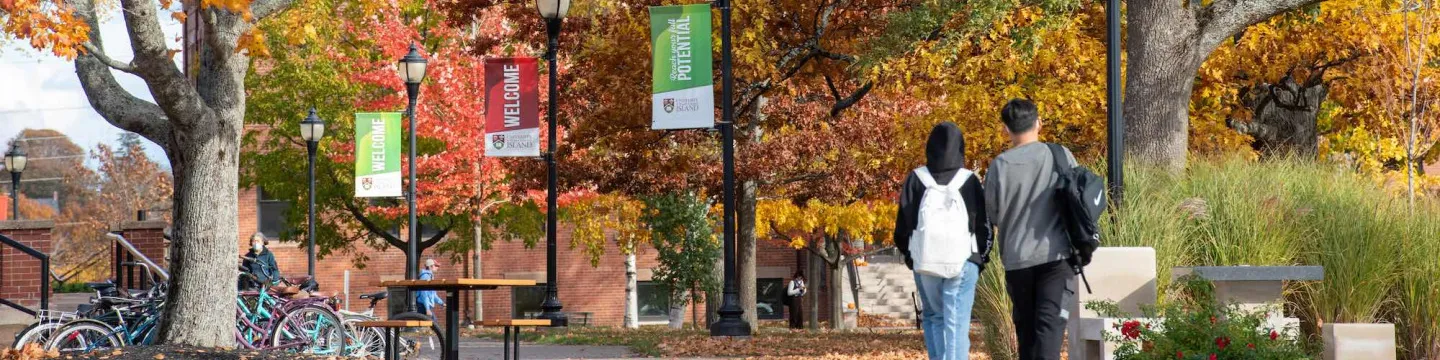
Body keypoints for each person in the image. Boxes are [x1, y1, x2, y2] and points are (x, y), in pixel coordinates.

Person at [984, 99, 1078, 360]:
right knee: (1049, 330)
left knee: (1026, 334)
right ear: (1038, 122)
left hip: (1017, 259)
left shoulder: (999, 166)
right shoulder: (1060, 154)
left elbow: (991, 214)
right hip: (1057, 255)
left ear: (1006, 129)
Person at [894, 122, 992, 360]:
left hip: (925, 260)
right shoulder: (969, 180)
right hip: (963, 260)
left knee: (935, 317)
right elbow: (984, 225)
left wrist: (912, 257)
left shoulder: (916, 179)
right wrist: (980, 259)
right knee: (956, 322)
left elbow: (902, 229)